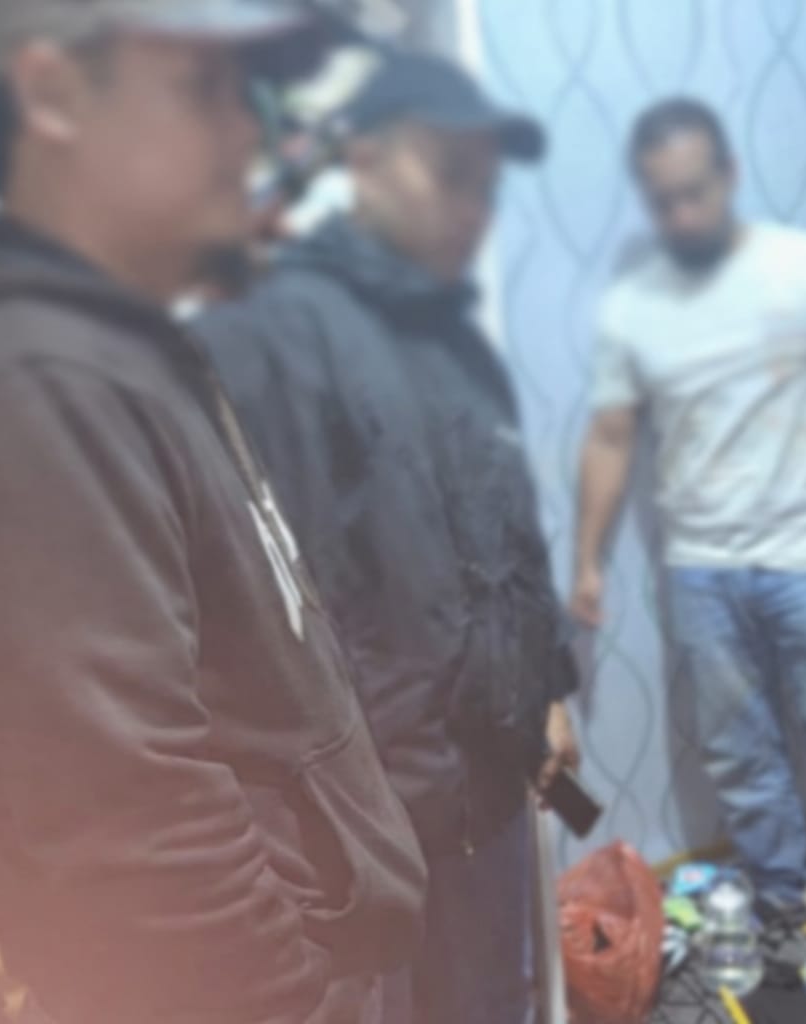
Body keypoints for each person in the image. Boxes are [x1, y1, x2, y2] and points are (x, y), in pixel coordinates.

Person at [0, 3, 427, 1022]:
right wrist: (291, 997)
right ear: (53, 94)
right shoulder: (42, 374)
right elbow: (129, 816)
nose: (246, 134)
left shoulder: (118, 337)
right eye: (204, 90)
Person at [197, 50, 576, 1024]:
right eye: (448, 173)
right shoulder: (267, 333)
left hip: (487, 785)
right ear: (363, 160)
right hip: (373, 816)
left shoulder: (452, 334)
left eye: (485, 185)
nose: (472, 208)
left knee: (491, 1002)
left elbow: (509, 531)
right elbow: (265, 609)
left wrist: (548, 689)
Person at [572, 98, 806, 922]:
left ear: (729, 174)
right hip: (701, 567)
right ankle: (784, 907)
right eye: (663, 202)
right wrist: (586, 557)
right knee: (737, 754)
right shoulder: (632, 304)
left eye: (695, 192)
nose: (683, 216)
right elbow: (611, 434)